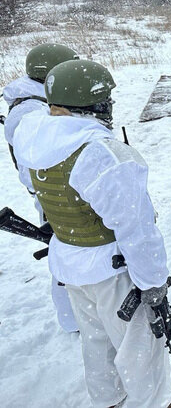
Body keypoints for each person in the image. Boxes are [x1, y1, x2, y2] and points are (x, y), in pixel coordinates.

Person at [13, 59, 171, 408]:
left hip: (69, 261)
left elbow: (37, 189)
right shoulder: (102, 154)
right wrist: (153, 283)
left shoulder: (33, 137)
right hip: (111, 269)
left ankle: (108, 399)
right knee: (139, 348)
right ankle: (158, 402)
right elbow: (136, 228)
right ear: (94, 104)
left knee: (95, 339)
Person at [3, 42, 80, 333]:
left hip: (58, 191)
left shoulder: (38, 102)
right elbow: (35, 165)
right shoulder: (30, 112)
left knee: (69, 253)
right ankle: (72, 319)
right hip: (55, 195)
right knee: (65, 256)